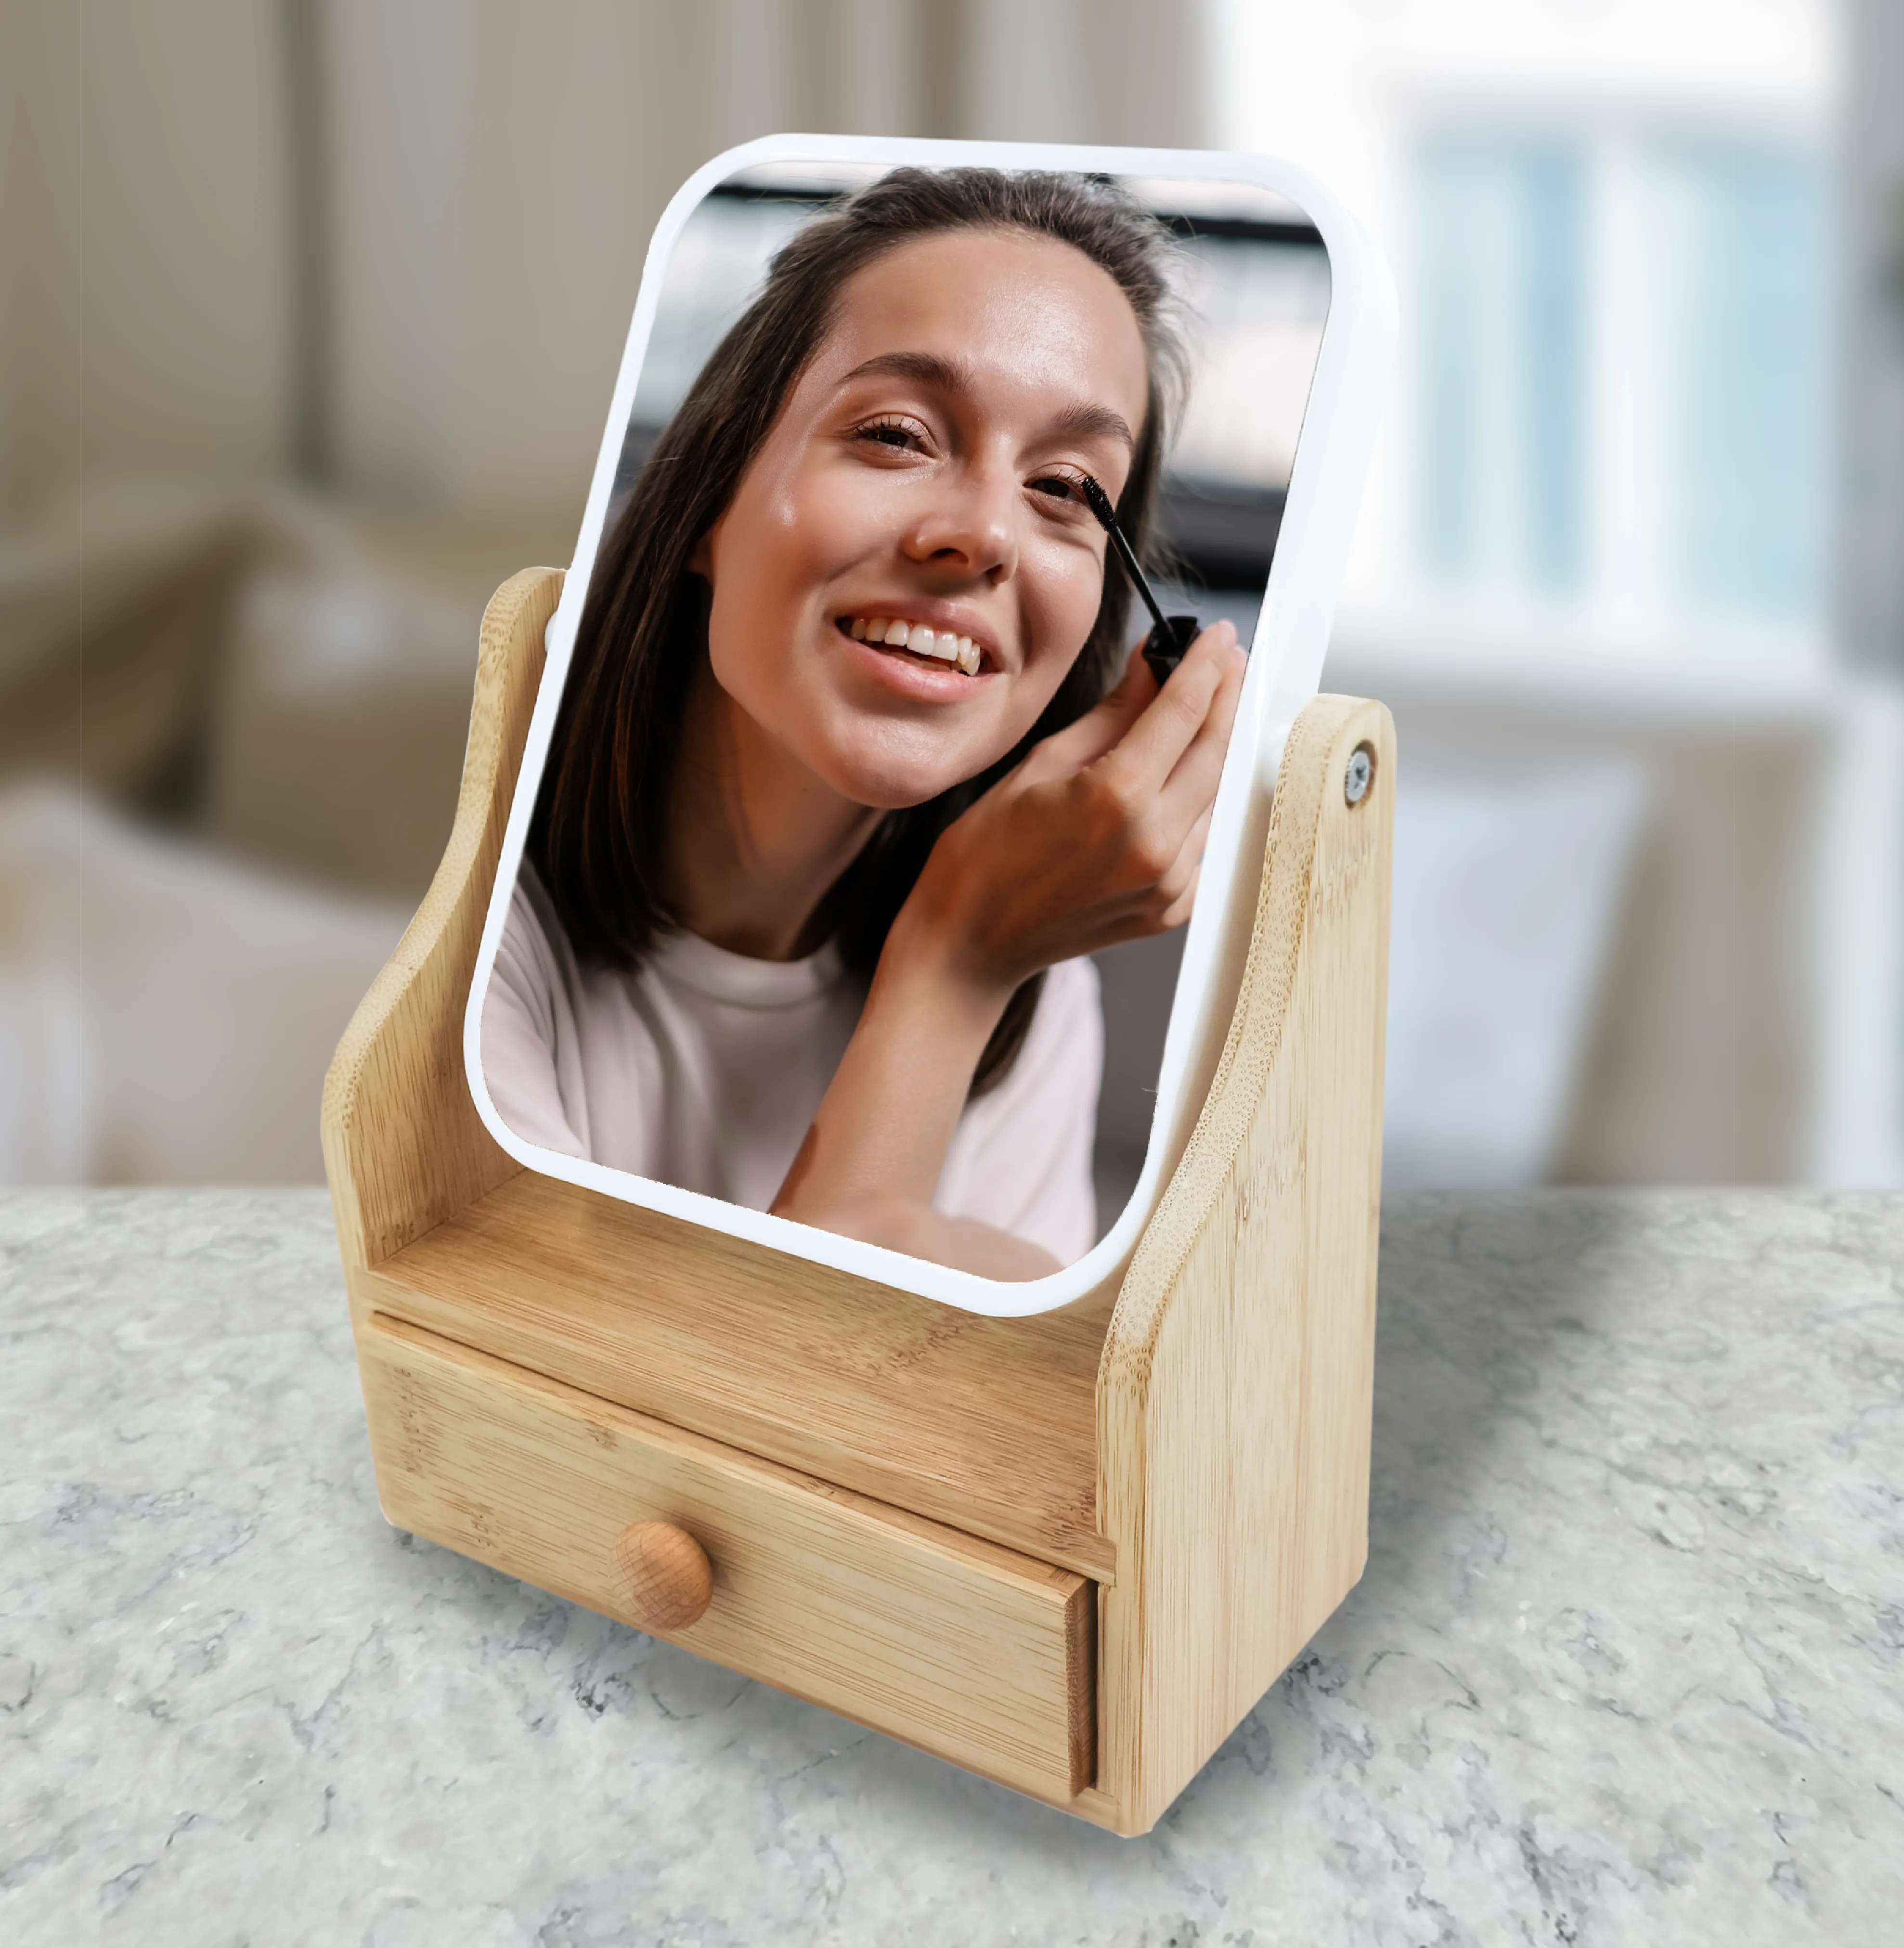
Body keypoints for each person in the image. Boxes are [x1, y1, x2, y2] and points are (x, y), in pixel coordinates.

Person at [481, 168, 1243, 1281]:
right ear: (711, 502)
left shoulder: (1034, 983)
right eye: (895, 435)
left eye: (1069, 489)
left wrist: (974, 952)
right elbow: (686, 1443)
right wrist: (954, 966)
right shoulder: (472, 940)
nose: (983, 534)